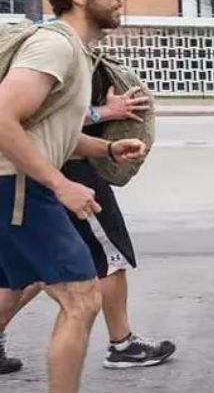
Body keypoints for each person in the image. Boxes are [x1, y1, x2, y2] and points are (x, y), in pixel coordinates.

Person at [0, 0, 147, 393]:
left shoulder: (76, 51)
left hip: (17, 184)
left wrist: (105, 149)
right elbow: (3, 116)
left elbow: (49, 131)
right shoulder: (55, 46)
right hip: (20, 188)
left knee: (17, 288)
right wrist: (61, 184)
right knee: (81, 298)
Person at [0, 79, 175, 372]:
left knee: (23, 269)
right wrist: (105, 113)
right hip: (62, 167)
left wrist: (107, 146)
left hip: (32, 172)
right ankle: (122, 343)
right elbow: (46, 120)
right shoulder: (54, 46)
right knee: (107, 256)